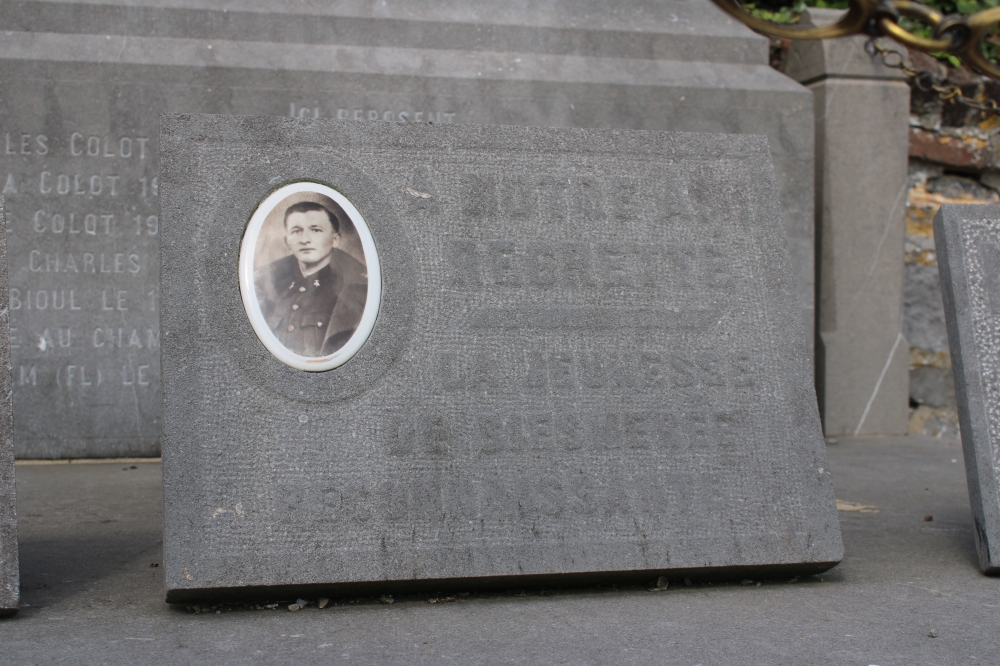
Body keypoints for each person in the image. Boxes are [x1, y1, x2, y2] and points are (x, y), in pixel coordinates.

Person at [254, 201, 367, 357]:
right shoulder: (266, 286)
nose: (305, 239)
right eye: (296, 231)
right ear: (287, 241)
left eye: (315, 230)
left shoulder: (356, 290)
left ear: (335, 239)